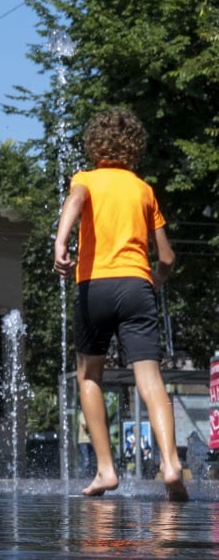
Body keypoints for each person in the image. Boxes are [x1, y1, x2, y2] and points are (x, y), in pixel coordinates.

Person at [53, 106, 187, 501]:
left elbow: (76, 200)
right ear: (134, 148)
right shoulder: (144, 190)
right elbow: (166, 257)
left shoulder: (87, 179)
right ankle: (170, 463)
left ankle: (106, 470)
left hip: (95, 286)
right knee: (151, 379)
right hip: (136, 285)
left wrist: (62, 243)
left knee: (90, 375)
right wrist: (156, 281)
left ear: (95, 145)